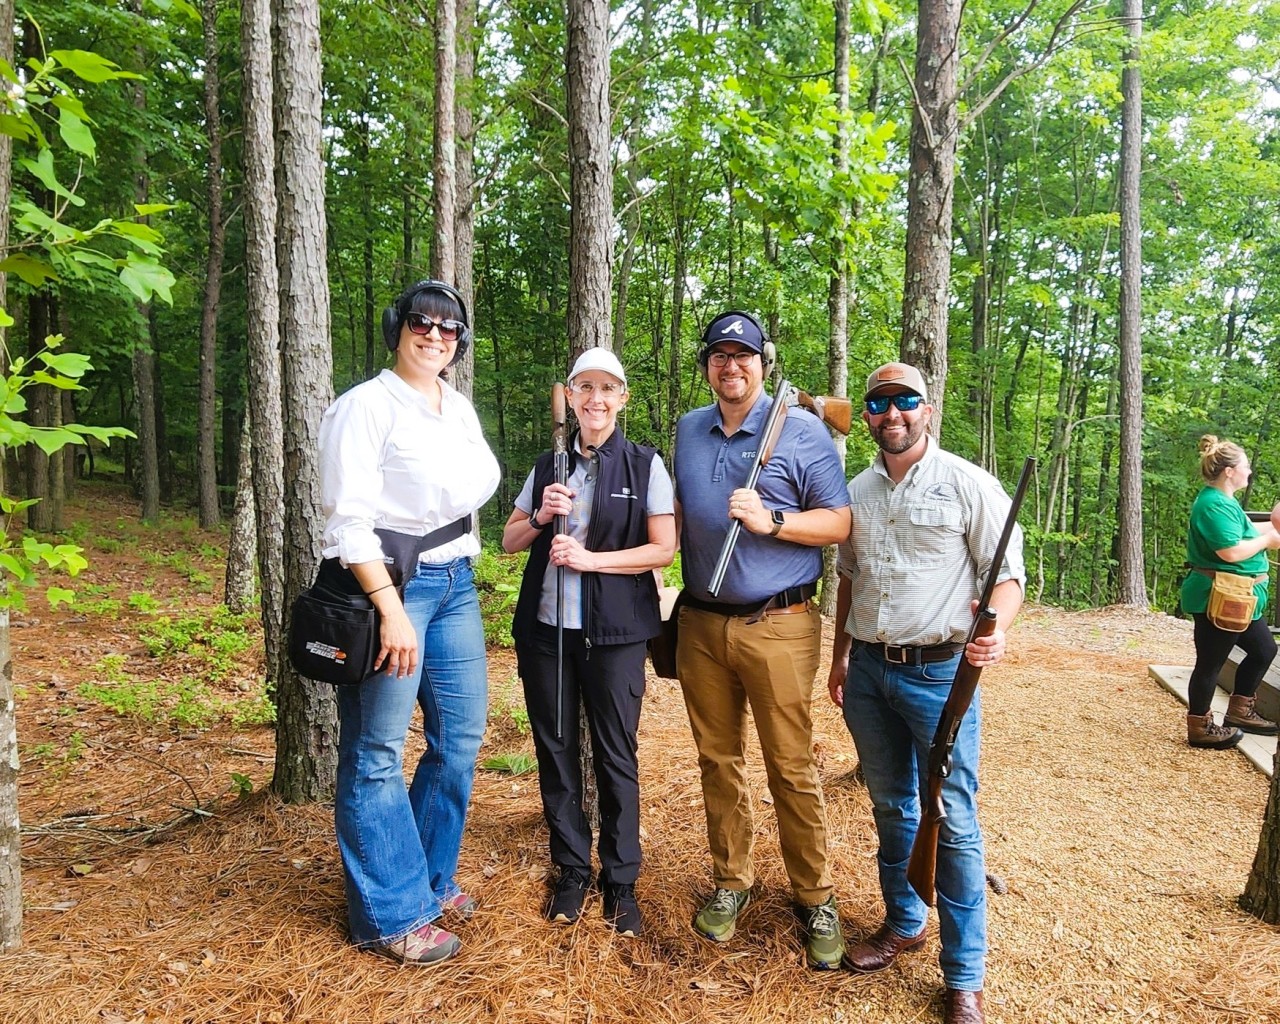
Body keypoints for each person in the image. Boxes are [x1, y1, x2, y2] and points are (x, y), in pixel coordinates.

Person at [827, 362, 1025, 1024]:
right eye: (879, 402)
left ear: (926, 408)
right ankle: (903, 920)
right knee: (891, 805)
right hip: (870, 675)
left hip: (940, 674)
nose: (892, 413)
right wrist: (839, 658)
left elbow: (1010, 575)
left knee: (955, 821)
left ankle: (965, 974)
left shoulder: (968, 483)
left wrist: (996, 629)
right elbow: (848, 579)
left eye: (905, 400)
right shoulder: (857, 490)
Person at [318, 279, 500, 966]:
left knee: (459, 738)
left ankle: (425, 874)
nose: (435, 334)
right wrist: (391, 611)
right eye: (422, 322)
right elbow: (348, 520)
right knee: (377, 752)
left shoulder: (454, 406)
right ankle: (390, 914)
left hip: (454, 583)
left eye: (449, 327)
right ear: (397, 327)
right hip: (388, 589)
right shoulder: (365, 407)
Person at [673, 311, 852, 970]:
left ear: (762, 363)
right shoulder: (688, 430)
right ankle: (732, 881)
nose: (731, 366)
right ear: (707, 366)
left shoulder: (802, 431)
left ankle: (817, 895)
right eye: (719, 356)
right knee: (718, 761)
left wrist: (773, 520)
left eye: (742, 356)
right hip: (700, 622)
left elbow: (839, 523)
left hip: (780, 622)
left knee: (791, 766)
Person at [502, 348, 675, 937]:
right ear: (571, 397)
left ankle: (621, 882)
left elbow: (662, 550)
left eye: (607, 388)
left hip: (617, 634)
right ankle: (572, 869)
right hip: (548, 635)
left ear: (622, 398)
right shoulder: (547, 466)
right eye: (584, 388)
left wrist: (592, 559)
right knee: (555, 750)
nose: (595, 399)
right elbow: (509, 539)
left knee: (615, 755)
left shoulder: (645, 465)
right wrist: (541, 517)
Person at [1179, 435, 1280, 749]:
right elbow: (1231, 552)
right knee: (1211, 663)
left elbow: (1247, 531)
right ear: (1229, 471)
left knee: (1264, 650)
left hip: (1239, 599)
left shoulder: (1225, 502)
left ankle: (1239, 711)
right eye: (1246, 466)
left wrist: (1274, 528)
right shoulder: (1213, 505)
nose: (1249, 472)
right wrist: (1269, 540)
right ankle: (1200, 727)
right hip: (1219, 597)